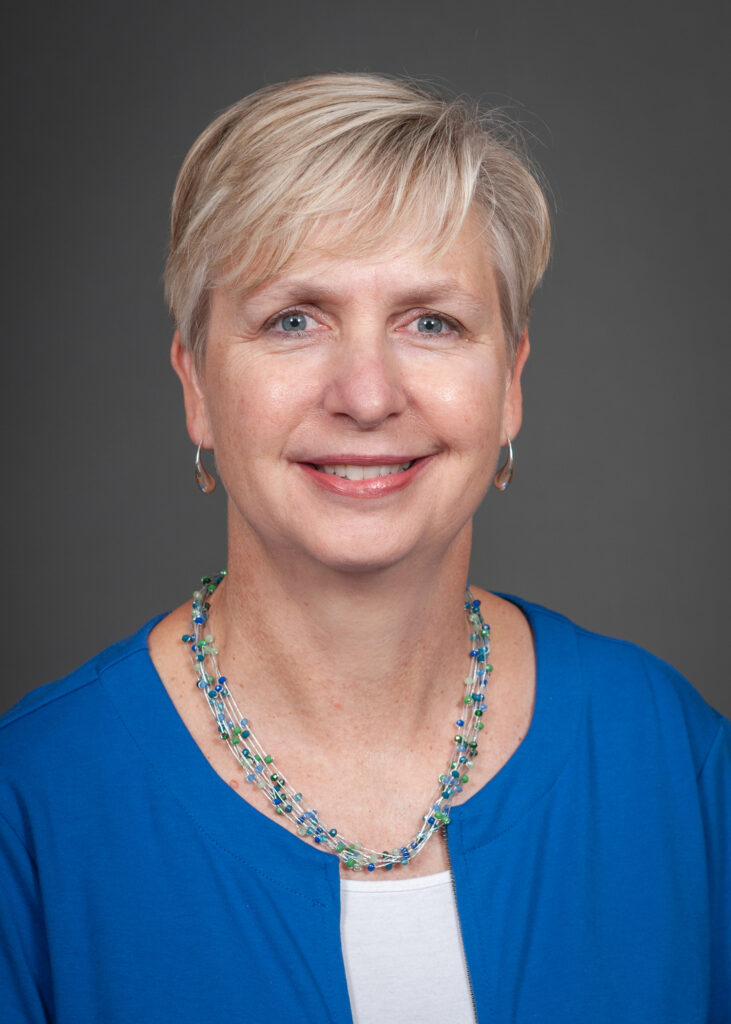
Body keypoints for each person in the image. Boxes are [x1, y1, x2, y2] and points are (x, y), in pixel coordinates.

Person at [0, 73, 728, 1024]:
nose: (367, 393)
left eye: (432, 322)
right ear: (196, 388)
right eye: (292, 319)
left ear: (508, 383)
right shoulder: (35, 804)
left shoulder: (671, 756)